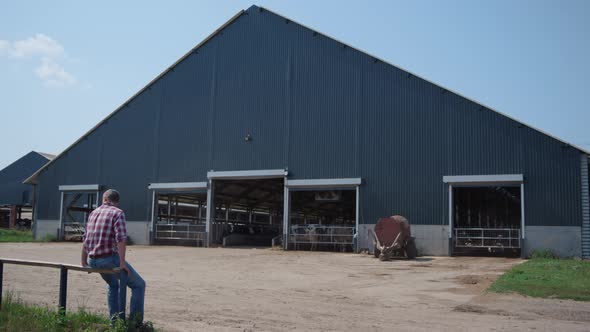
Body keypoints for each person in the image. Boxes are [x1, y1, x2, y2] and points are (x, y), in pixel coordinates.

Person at [81, 189, 146, 323]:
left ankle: (115, 322)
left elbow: (85, 239)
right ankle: (135, 323)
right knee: (139, 285)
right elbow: (121, 238)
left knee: (112, 285)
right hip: (108, 258)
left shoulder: (93, 213)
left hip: (92, 260)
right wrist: (122, 263)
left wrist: (84, 262)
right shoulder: (118, 212)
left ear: (104, 199)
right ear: (117, 201)